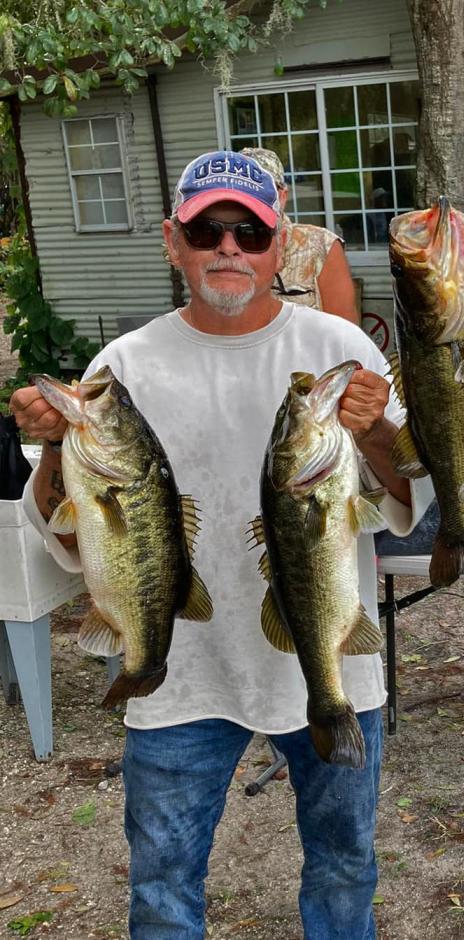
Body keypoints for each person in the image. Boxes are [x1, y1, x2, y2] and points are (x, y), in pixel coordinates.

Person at [11, 149, 432, 940]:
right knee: (163, 885)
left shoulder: (344, 351)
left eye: (250, 230)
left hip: (333, 661)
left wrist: (376, 428)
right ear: (174, 241)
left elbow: (411, 503)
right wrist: (56, 452)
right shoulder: (121, 367)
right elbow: (66, 539)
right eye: (208, 230)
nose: (229, 247)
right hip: (180, 678)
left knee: (345, 869)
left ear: (281, 247)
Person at [240, 146, 360, 324]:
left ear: (282, 196)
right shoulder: (216, 246)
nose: (250, 201)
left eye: (262, 192)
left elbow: (348, 337)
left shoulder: (320, 246)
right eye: (241, 192)